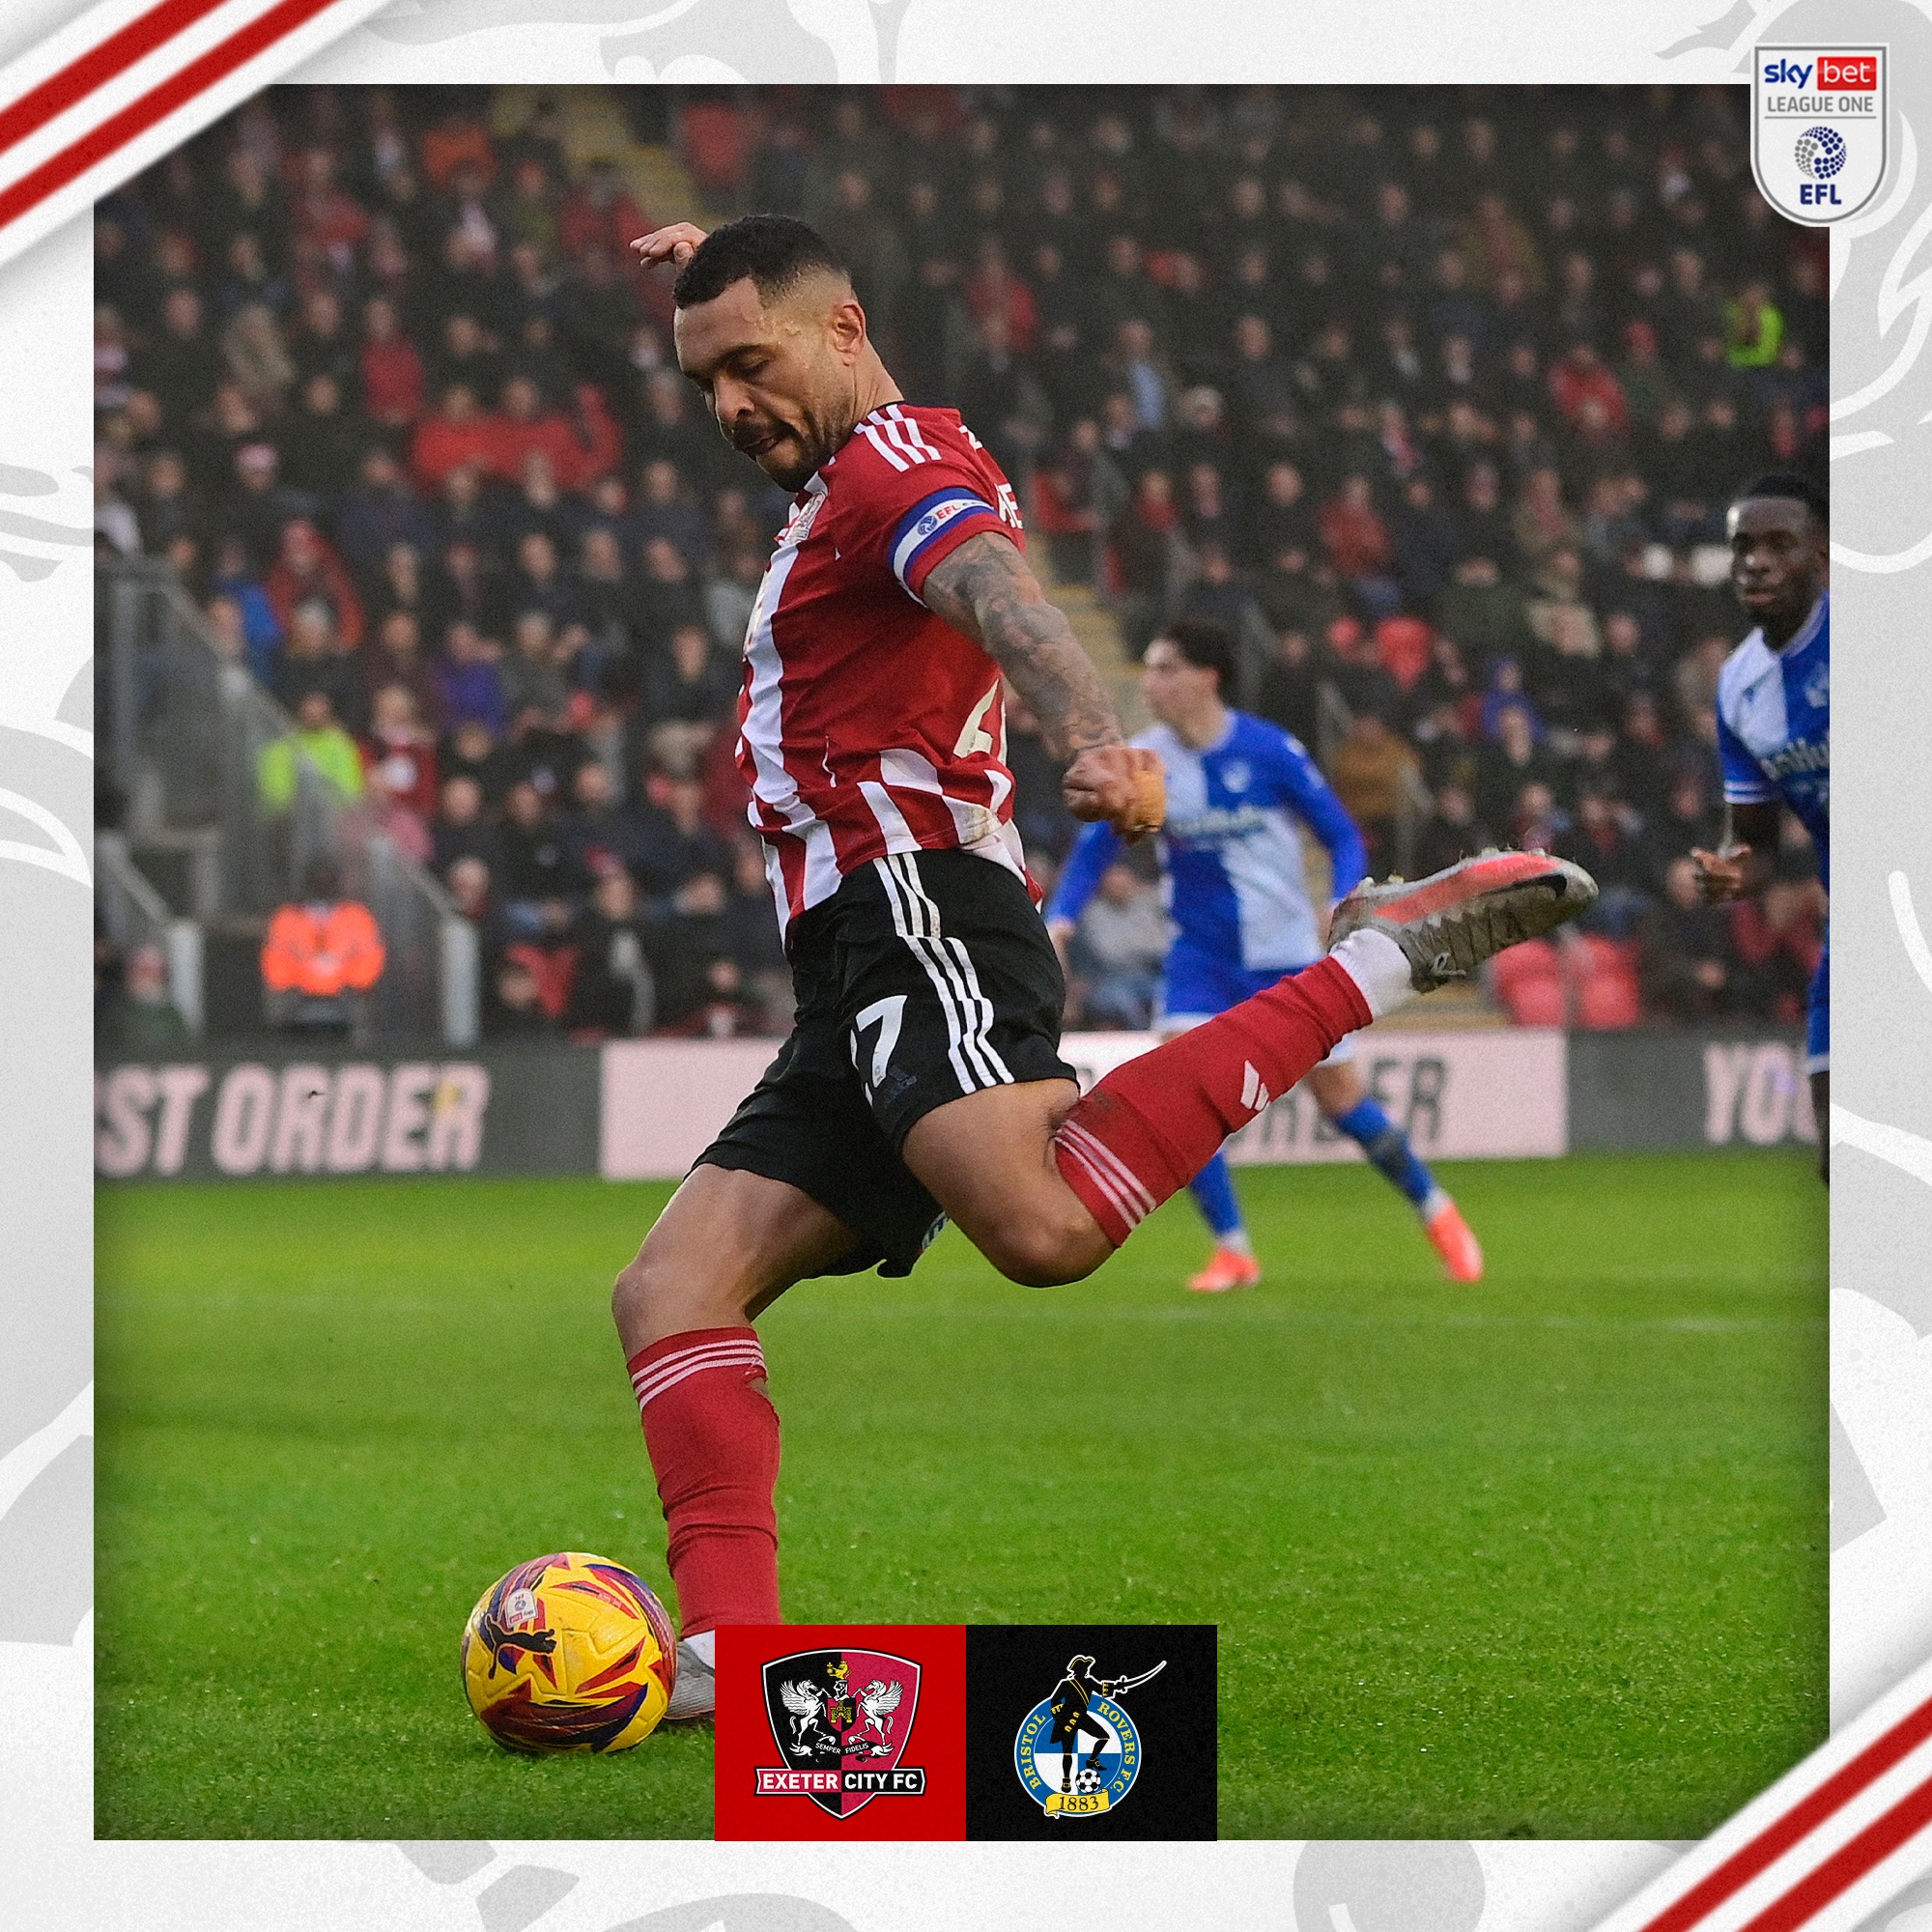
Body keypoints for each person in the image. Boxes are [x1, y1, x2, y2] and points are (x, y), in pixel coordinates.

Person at [613, 214, 1596, 1719]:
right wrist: (721, 269)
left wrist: (1095, 737)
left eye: (751, 362)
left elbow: (1008, 602)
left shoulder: (893, 470)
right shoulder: (852, 468)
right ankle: (731, 1663)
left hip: (917, 908)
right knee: (673, 1290)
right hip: (846, 956)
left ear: (844, 328)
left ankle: (1381, 961)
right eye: (705, 381)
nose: (729, 402)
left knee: (1046, 1224)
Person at [1046, 620, 1485, 1293]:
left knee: (1341, 1102)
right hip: (1201, 959)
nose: (1152, 682)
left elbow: (1340, 835)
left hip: (1283, 955)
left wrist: (1343, 900)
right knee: (1177, 1096)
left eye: (1166, 668)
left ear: (1206, 677)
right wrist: (1064, 920)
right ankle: (1234, 1250)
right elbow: (1098, 851)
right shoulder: (1147, 764)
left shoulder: (1268, 750)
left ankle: (1437, 1210)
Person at [1690, 471, 1829, 1179]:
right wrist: (1729, 874)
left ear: (1825, 553)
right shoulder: (1740, 686)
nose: (1757, 560)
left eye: (1781, 543)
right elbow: (1759, 847)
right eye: (1743, 545)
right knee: (1843, 1151)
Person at [260, 857, 385, 1037]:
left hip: (348, 1001)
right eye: (317, 879)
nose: (322, 884)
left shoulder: (357, 917)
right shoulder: (287, 918)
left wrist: (355, 984)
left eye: (328, 879)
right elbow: (275, 959)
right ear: (306, 881)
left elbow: (370, 956)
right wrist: (292, 985)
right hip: (295, 1003)